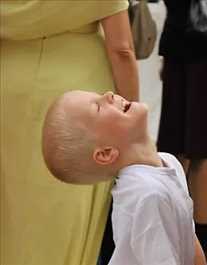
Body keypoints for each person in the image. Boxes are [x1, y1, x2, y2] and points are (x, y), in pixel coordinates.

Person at [0, 1, 138, 264]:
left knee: (9, 211)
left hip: (8, 86)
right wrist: (131, 117)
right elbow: (121, 48)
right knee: (67, 209)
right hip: (79, 96)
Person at [42, 90, 207, 265]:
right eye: (97, 107)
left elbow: (188, 236)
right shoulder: (146, 195)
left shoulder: (168, 161)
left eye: (98, 94)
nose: (108, 94)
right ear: (106, 153)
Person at [157, 0, 207, 260]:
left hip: (182, 41)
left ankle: (179, 229)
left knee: (179, 143)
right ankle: (198, 234)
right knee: (205, 143)